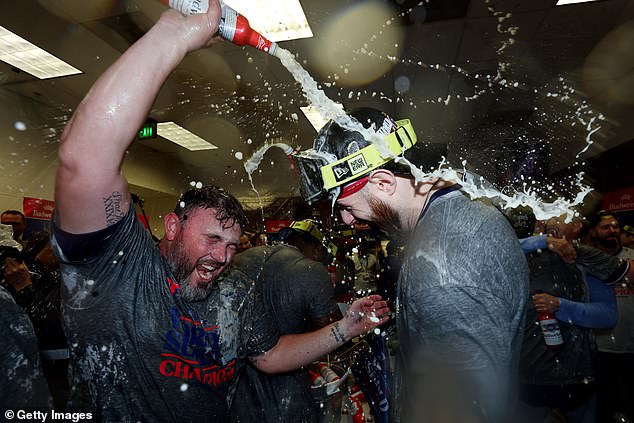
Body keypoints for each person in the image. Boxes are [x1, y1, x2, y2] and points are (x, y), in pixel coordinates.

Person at [52, 5, 389, 422]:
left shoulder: (234, 291)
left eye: (232, 245)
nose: (223, 256)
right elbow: (83, 159)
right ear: (172, 226)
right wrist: (173, 35)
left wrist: (346, 329)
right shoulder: (119, 270)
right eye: (211, 239)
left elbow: (268, 356)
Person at [289, 107, 529, 422]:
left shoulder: (441, 270)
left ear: (384, 182)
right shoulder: (463, 210)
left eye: (347, 206)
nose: (347, 219)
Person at [510, 213, 620, 423]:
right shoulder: (528, 253)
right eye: (549, 218)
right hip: (529, 373)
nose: (553, 223)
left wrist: (560, 305)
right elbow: (502, 246)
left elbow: (608, 315)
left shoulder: (587, 260)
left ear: (577, 226)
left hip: (576, 374)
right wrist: (543, 241)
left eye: (560, 218)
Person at [230, 219, 342, 423]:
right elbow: (332, 332)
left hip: (237, 396)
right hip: (288, 395)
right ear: (317, 248)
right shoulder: (312, 270)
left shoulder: (239, 259)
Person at [585, 211, 634, 422]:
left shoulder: (632, 258)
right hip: (601, 346)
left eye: (615, 226)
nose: (613, 230)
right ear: (594, 232)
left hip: (631, 344)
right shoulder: (586, 260)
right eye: (606, 227)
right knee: (604, 403)